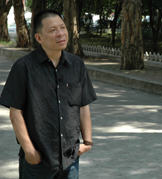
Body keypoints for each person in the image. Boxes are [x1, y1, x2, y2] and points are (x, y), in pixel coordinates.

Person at [0, 10, 97, 179]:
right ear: (39, 38)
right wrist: (29, 151)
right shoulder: (23, 67)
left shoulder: (77, 65)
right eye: (52, 30)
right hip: (38, 159)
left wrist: (87, 142)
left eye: (62, 27)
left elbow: (83, 105)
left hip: (70, 158)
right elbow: (16, 113)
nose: (60, 33)